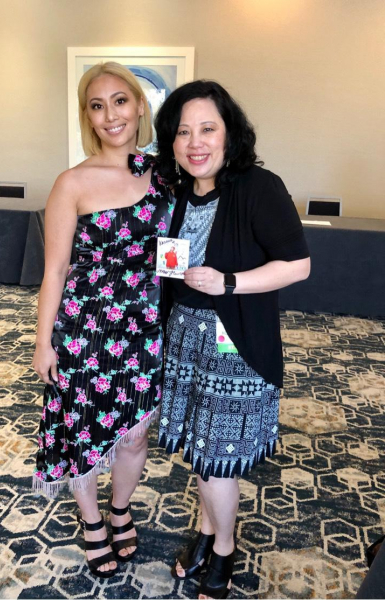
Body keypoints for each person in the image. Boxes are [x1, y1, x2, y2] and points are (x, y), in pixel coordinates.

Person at [154, 80, 311, 599]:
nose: (195, 142)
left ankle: (224, 547)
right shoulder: (178, 193)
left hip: (234, 343)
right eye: (183, 132)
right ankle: (207, 531)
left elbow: (299, 265)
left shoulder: (258, 186)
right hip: (184, 341)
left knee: (215, 460)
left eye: (208, 129)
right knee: (200, 452)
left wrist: (229, 282)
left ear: (230, 134)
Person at [32, 62, 173, 579]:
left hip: (145, 325)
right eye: (97, 105)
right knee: (83, 430)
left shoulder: (165, 175)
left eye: (120, 101)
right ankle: (92, 520)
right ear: (87, 117)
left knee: (134, 434)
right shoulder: (72, 182)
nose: (111, 115)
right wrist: (42, 342)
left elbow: (182, 248)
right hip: (85, 328)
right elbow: (54, 270)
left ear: (139, 107)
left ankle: (120, 508)